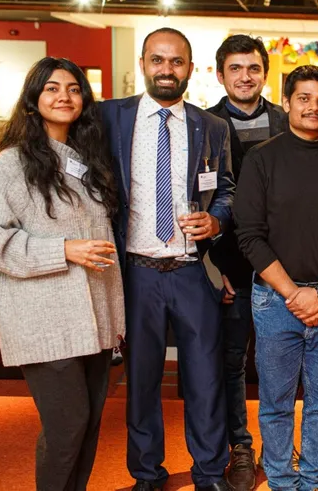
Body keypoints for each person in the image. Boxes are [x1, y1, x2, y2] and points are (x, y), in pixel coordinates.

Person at [0, 56, 125, 491]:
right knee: (67, 426)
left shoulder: (87, 160)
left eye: (74, 89)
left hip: (96, 318)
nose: (64, 96)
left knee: (90, 424)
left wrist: (116, 322)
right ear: (33, 98)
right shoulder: (12, 163)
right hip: (46, 320)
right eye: (53, 88)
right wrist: (64, 250)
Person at [101, 28, 235, 491]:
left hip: (193, 271)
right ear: (142, 63)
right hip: (136, 271)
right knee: (141, 382)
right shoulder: (109, 119)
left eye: (176, 62)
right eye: (157, 60)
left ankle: (210, 471)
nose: (166, 69)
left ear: (189, 70)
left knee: (205, 380)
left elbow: (228, 190)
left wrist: (216, 221)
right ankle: (146, 472)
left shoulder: (211, 127)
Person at [234, 64, 318, 491]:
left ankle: (312, 480)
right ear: (288, 101)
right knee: (274, 403)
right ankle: (279, 479)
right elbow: (250, 236)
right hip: (276, 301)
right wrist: (295, 294)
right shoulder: (262, 158)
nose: (314, 107)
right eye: (304, 98)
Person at [206, 33, 288, 491]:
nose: (244, 76)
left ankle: (280, 446)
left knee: (282, 362)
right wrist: (211, 269)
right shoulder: (203, 125)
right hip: (230, 269)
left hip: (285, 268)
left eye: (253, 68)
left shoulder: (286, 119)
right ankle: (240, 446)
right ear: (221, 75)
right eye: (235, 68)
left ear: (263, 74)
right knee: (232, 362)